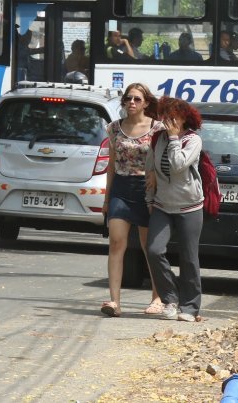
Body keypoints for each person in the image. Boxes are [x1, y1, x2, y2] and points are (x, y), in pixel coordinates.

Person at [100, 83, 164, 318]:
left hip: (147, 190)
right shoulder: (114, 128)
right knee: (117, 243)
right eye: (128, 98)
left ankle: (157, 297)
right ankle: (114, 301)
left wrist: (157, 176)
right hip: (121, 188)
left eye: (137, 99)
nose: (132, 103)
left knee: (150, 248)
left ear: (146, 102)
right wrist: (107, 199)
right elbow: (110, 166)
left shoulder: (158, 129)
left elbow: (163, 160)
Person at [144, 96, 206, 322]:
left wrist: (173, 138)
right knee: (154, 250)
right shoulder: (157, 139)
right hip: (162, 205)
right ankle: (170, 298)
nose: (168, 120)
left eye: (173, 116)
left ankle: (190, 307)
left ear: (184, 118)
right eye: (165, 116)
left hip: (190, 206)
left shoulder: (193, 140)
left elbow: (178, 165)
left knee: (189, 258)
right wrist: (150, 201)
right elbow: (150, 171)